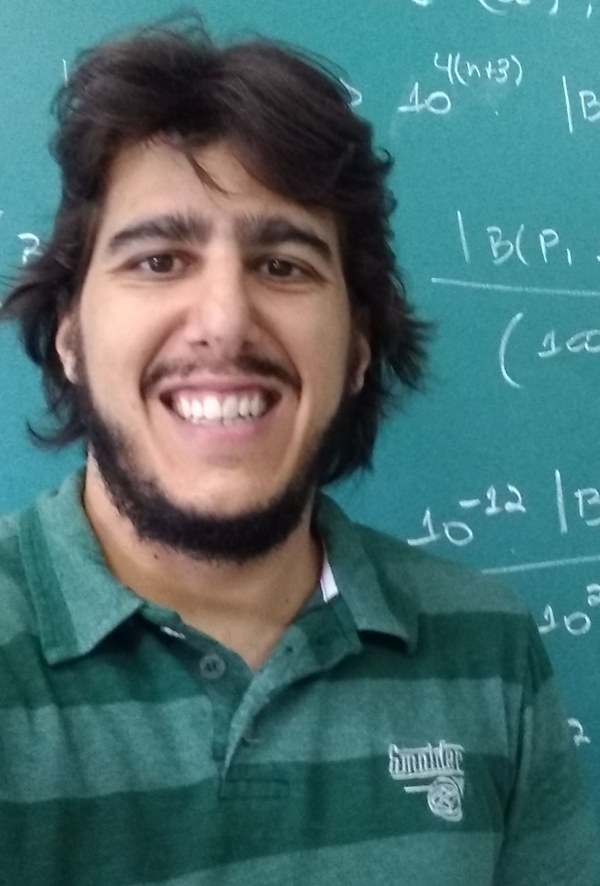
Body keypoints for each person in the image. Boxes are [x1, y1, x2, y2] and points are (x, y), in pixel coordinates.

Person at [0, 18, 597, 886]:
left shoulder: (490, 654)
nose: (225, 322)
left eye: (284, 267)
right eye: (160, 260)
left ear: (357, 349)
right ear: (69, 338)